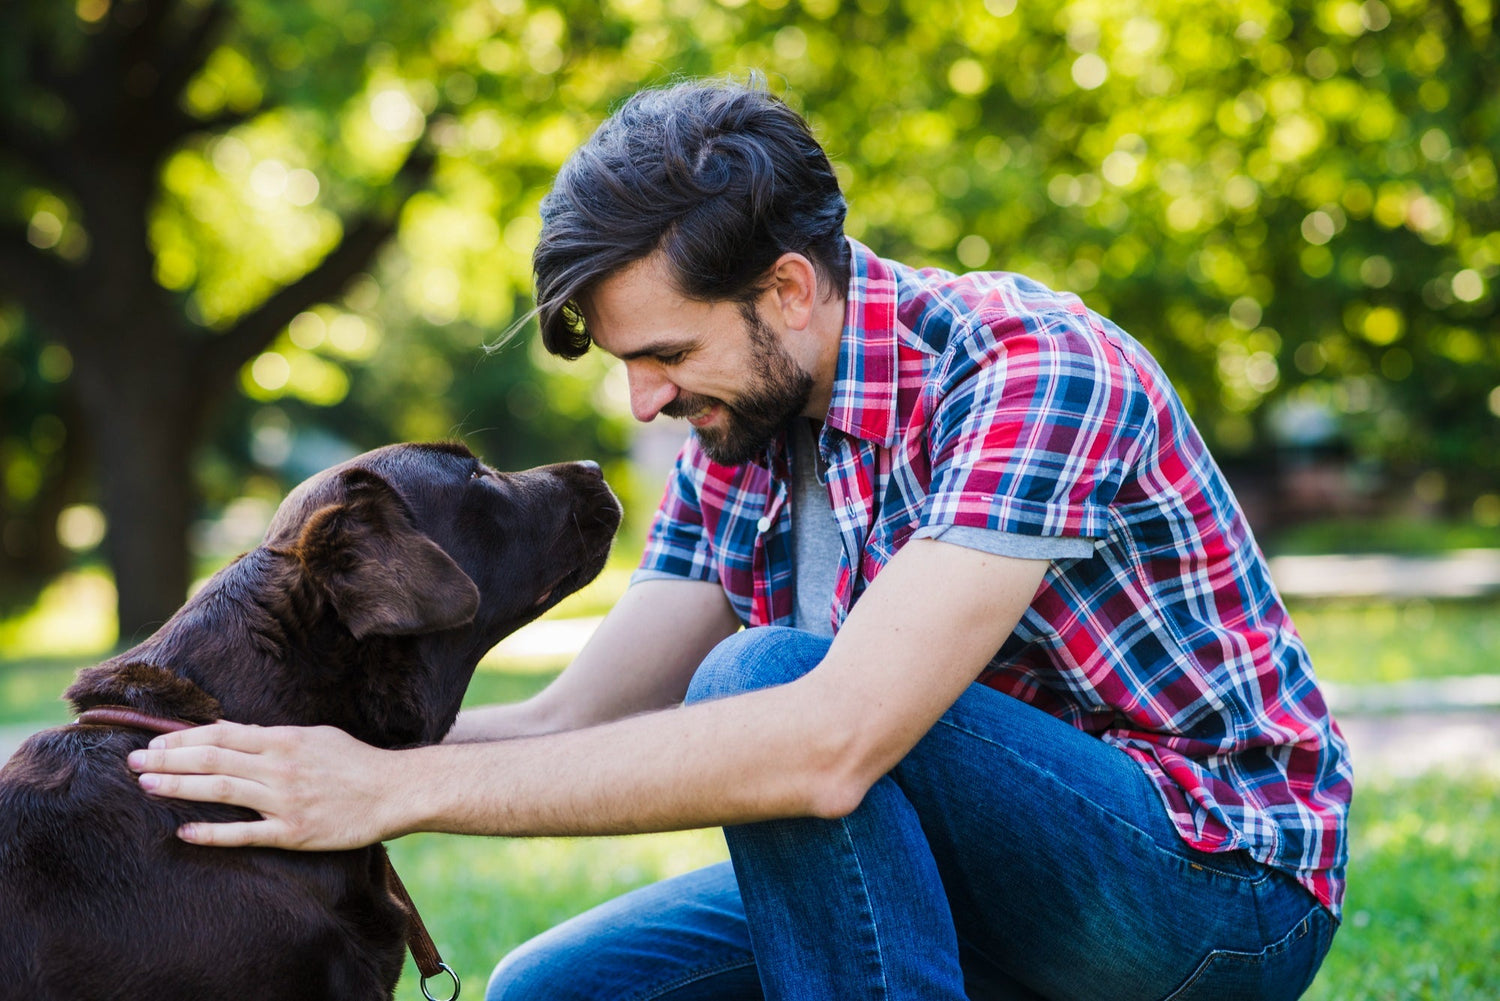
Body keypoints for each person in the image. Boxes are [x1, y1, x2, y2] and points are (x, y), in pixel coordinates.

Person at [129, 77, 1352, 1001]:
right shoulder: (744, 425)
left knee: (770, 676)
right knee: (549, 992)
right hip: (972, 873)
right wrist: (288, 758)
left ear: (787, 290)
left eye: (664, 354)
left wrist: (393, 791)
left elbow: (830, 742)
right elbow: (576, 719)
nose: (644, 403)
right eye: (627, 364)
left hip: (1208, 891)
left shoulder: (1032, 372)